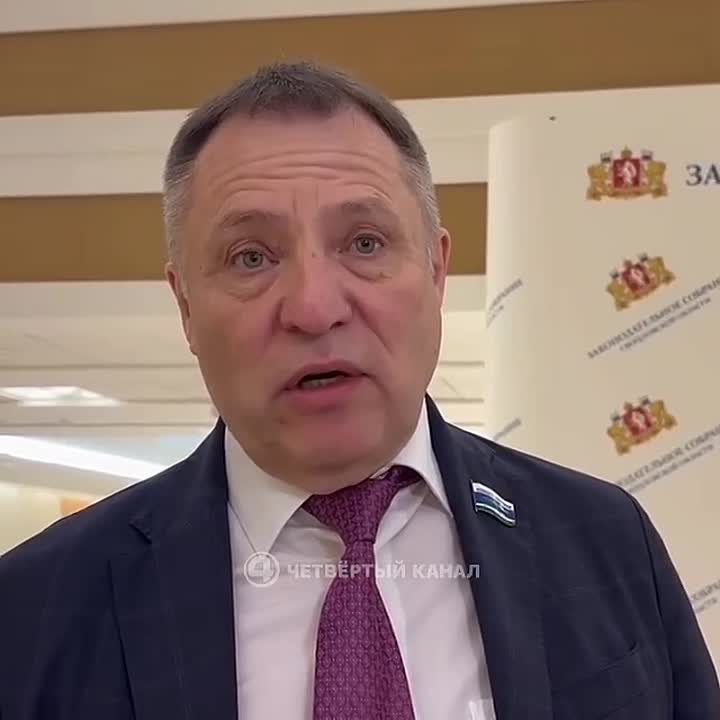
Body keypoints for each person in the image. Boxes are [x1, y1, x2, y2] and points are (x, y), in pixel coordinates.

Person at [0, 61, 717, 720]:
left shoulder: (605, 539)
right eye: (250, 257)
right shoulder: (36, 608)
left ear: (436, 272)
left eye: (365, 243)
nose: (315, 308)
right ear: (185, 305)